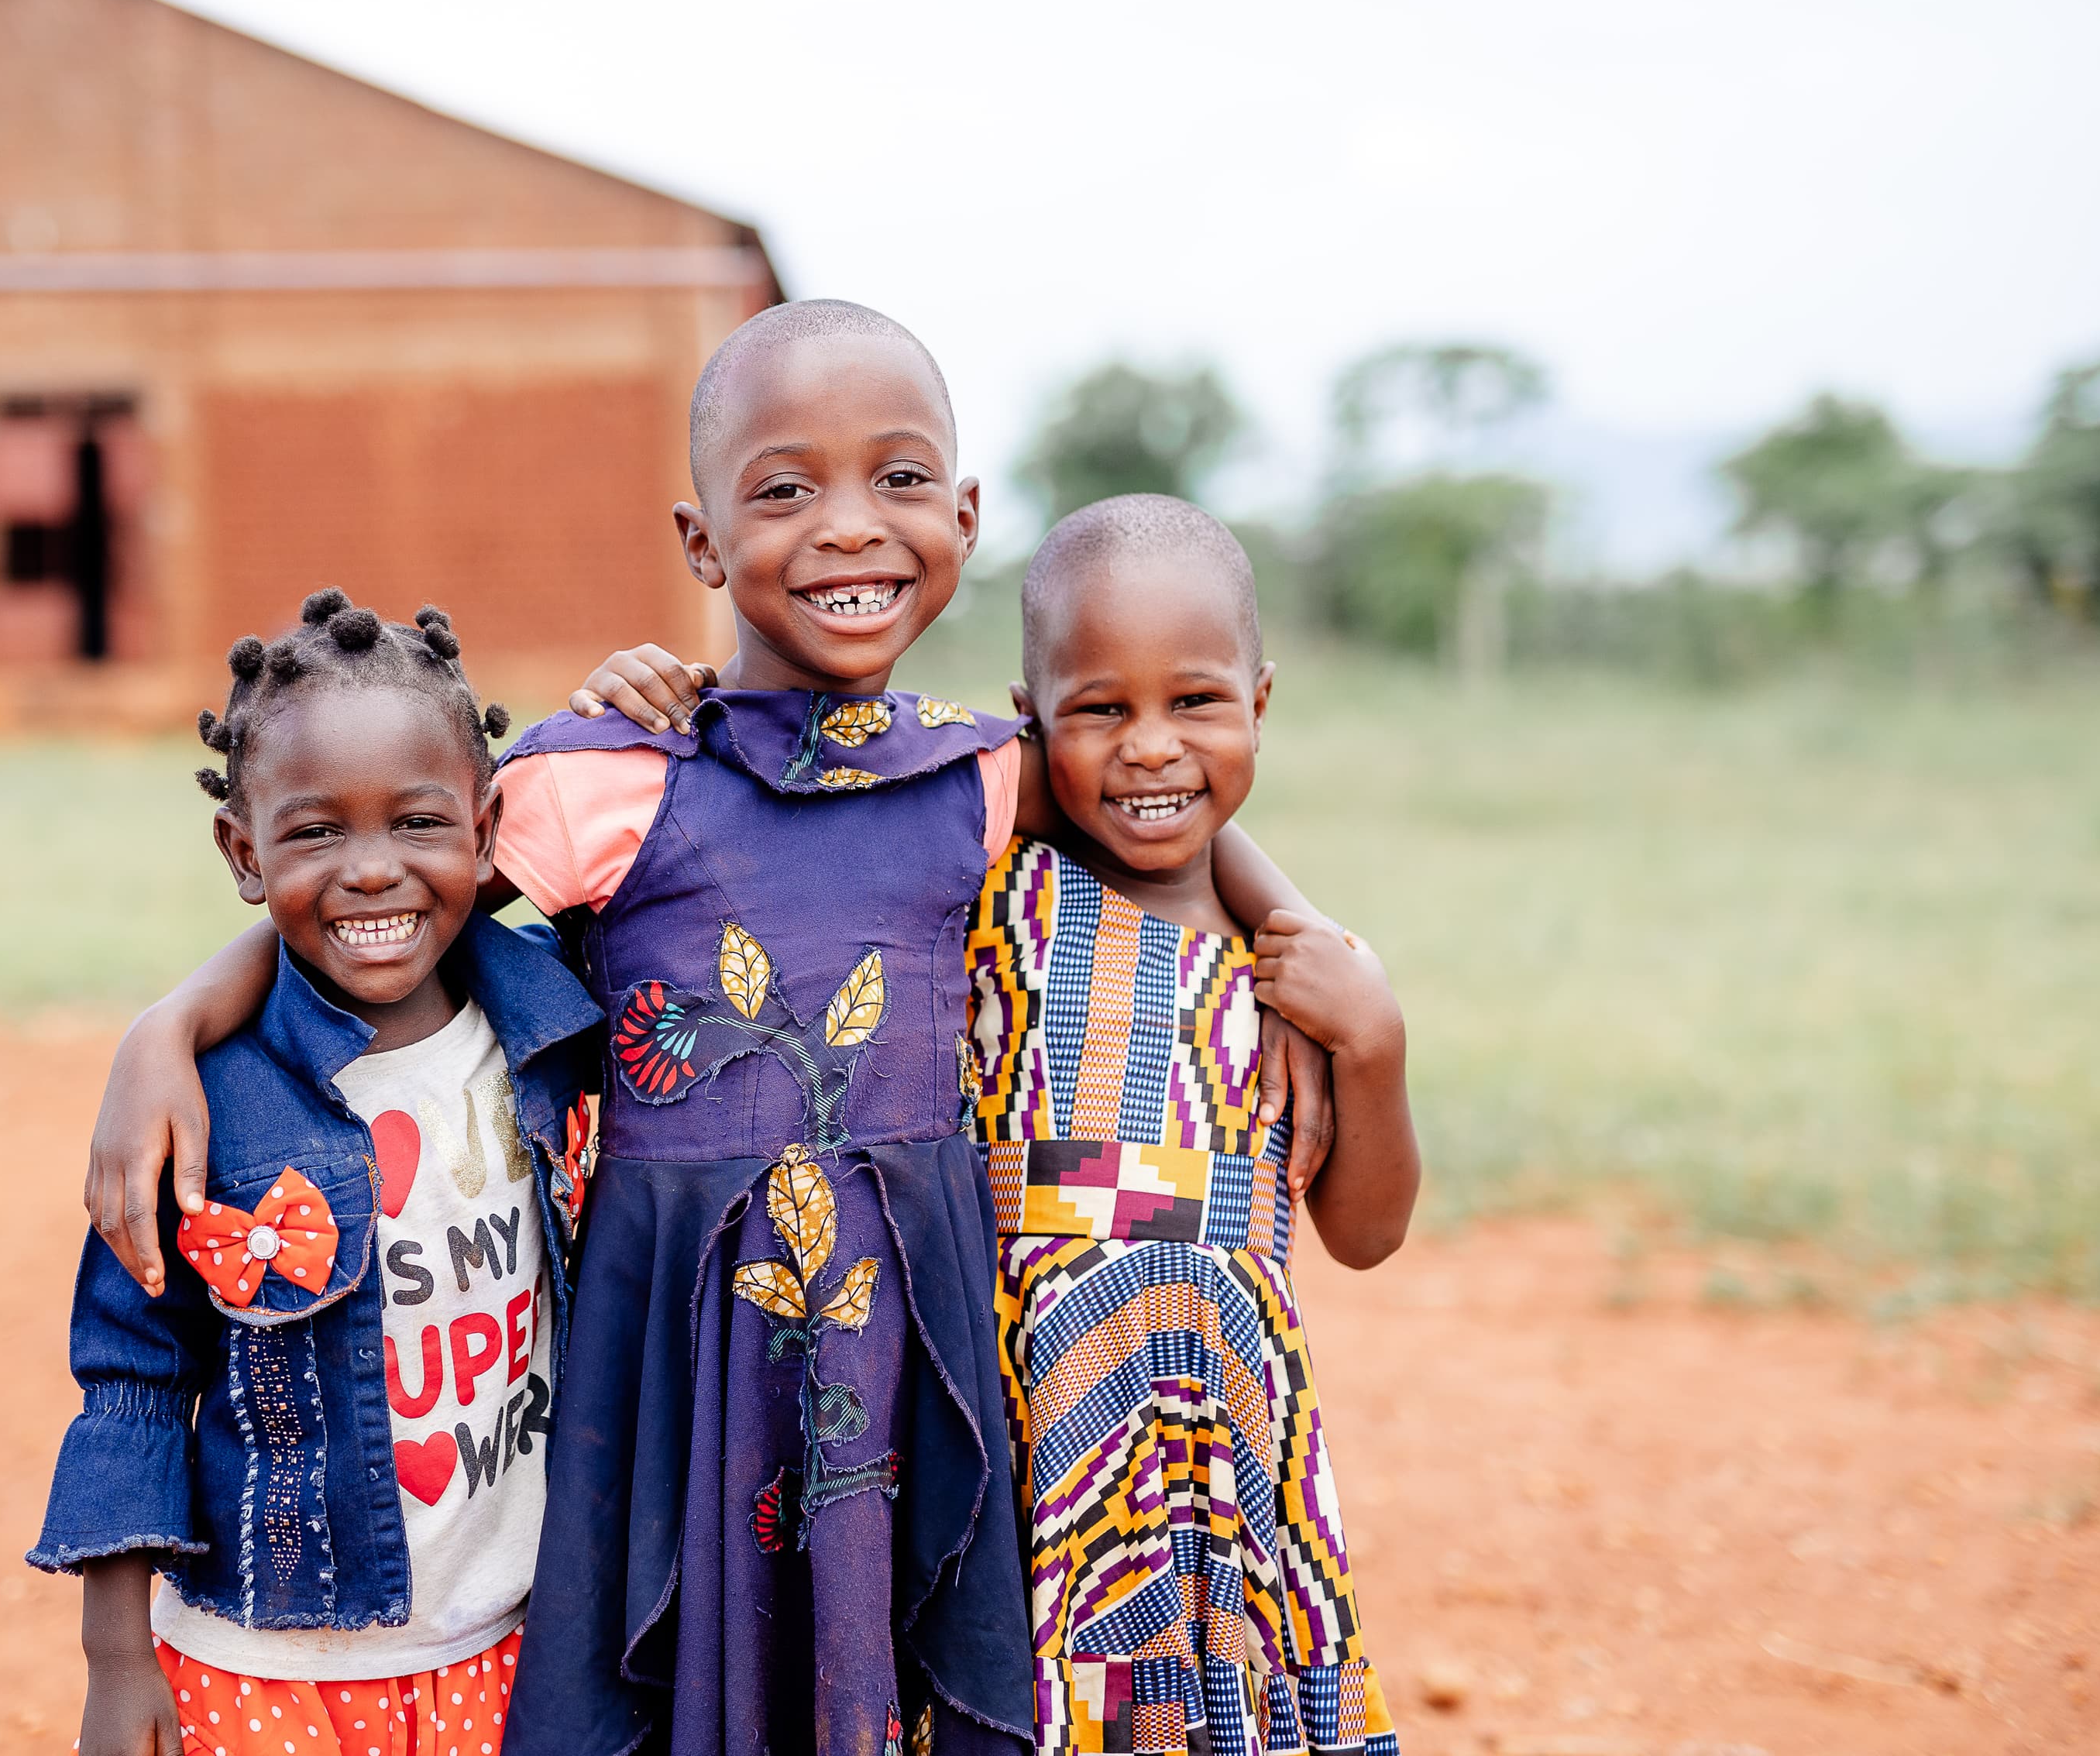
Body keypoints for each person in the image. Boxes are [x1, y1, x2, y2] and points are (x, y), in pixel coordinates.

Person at [80, 302, 1354, 1756]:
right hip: (679, 1334)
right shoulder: (605, 780)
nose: (851, 528)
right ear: (700, 542)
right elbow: (390, 895)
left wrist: (1311, 948)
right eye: (787, 488)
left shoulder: (977, 774)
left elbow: (1157, 809)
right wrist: (174, 1021)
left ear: (966, 514)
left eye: (898, 479)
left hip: (909, 1320)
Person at [29, 592, 603, 1756]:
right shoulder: (206, 1108)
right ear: (244, 853)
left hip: (512, 1645)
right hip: (270, 1669)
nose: (372, 871)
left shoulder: (555, 1029)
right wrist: (115, 1659)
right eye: (314, 833)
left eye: (417, 823)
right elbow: (134, 1380)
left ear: (487, 830)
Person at [971, 495, 1413, 1756]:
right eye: (1100, 709)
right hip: (1033, 1415)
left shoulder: (1308, 977)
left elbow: (1368, 1234)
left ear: (1261, 703)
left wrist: (1374, 1047)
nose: (1151, 748)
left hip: (1229, 1427)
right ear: (1033, 722)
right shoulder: (1002, 873)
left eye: (1198, 703)